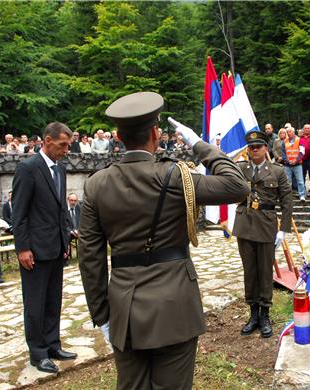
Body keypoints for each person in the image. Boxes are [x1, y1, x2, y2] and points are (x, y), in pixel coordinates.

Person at [78, 91, 249, 390]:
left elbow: (90, 258)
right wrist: (199, 145)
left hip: (124, 307)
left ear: (118, 136)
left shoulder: (96, 184)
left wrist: (102, 315)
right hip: (174, 302)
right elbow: (237, 185)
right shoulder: (175, 176)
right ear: (156, 133)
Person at [12, 122, 77, 374]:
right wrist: (23, 248)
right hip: (34, 250)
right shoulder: (27, 168)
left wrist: (65, 241)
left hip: (55, 246)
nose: (66, 150)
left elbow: (61, 209)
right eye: (62, 145)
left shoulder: (60, 170)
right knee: (35, 303)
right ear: (47, 141)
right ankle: (37, 353)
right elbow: (20, 213)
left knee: (53, 300)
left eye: (68, 145)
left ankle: (52, 344)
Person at [232, 130, 293, 338]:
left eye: (258, 146)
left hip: (266, 226)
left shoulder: (277, 171)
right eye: (251, 147)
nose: (254, 150)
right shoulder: (240, 169)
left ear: (266, 148)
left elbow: (286, 200)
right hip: (244, 225)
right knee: (250, 271)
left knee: (265, 272)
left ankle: (265, 314)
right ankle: (253, 314)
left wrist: (283, 229)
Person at [281, 127, 306, 201]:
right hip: (287, 165)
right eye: (287, 132)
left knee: (300, 181)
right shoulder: (284, 141)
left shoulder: (299, 140)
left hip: (297, 164)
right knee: (287, 181)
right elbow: (283, 153)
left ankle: (302, 195)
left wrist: (296, 160)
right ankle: (287, 196)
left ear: (294, 132)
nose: (288, 133)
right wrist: (287, 161)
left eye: (290, 132)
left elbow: (302, 152)